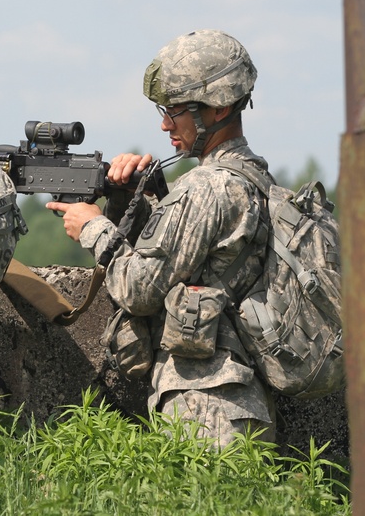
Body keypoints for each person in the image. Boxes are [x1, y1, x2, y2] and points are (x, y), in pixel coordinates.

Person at [46, 29, 276, 449]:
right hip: (228, 399)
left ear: (219, 107)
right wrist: (128, 201)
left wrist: (94, 226)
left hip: (206, 408)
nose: (165, 123)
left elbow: (139, 290)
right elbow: (183, 261)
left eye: (176, 110)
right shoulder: (251, 175)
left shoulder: (209, 187)